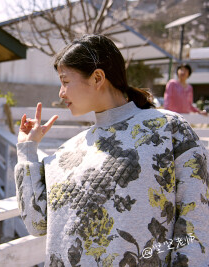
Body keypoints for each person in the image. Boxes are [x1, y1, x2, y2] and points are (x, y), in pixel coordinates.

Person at [14, 34, 209, 266]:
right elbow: (37, 222)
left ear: (97, 78)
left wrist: (150, 253)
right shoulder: (66, 153)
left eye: (65, 81)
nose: (61, 92)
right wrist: (27, 149)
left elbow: (194, 228)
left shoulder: (170, 129)